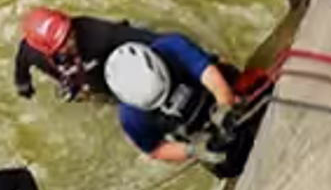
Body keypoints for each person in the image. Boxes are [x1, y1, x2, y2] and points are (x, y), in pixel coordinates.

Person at [104, 34, 265, 171]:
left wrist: (225, 108)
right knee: (228, 164)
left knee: (258, 94)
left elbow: (212, 78)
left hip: (220, 91)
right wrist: (194, 150)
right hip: (196, 132)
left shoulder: (173, 47)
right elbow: (156, 149)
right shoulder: (131, 118)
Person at [11, 4, 151, 105]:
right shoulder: (31, 52)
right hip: (83, 82)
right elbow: (21, 68)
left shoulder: (99, 34)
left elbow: (153, 40)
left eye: (69, 33)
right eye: (63, 43)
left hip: (110, 72)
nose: (71, 41)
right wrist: (25, 89)